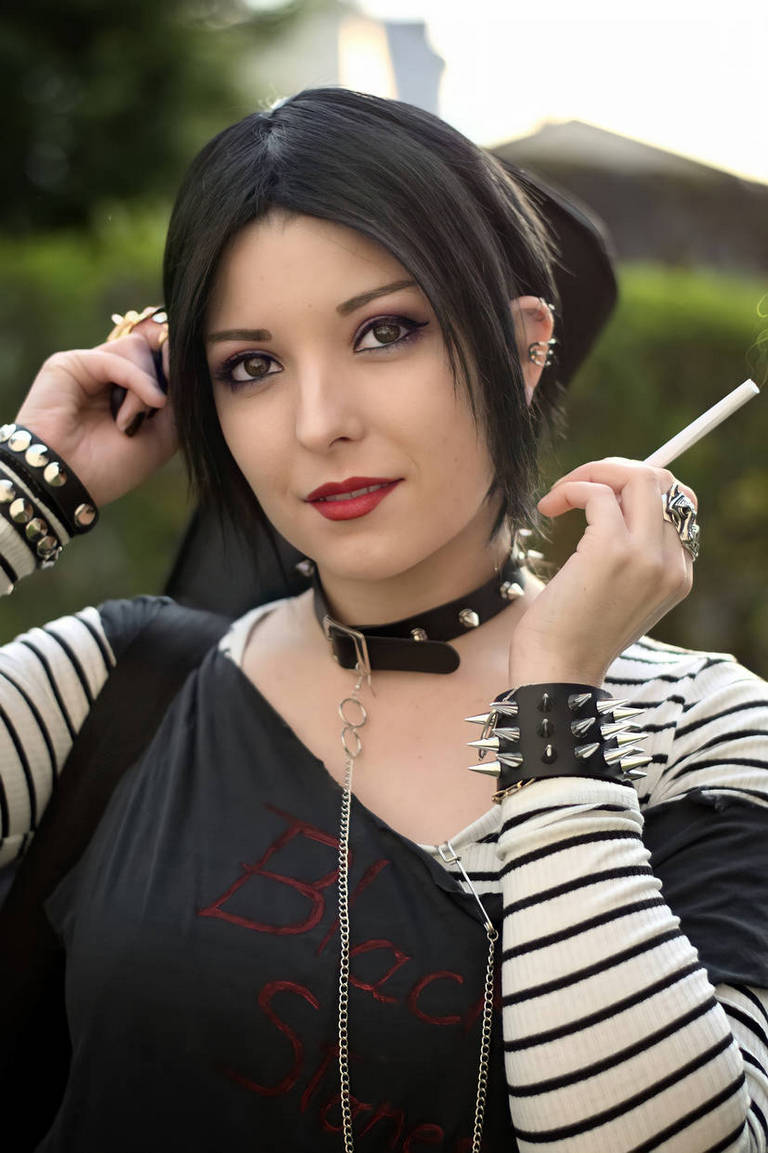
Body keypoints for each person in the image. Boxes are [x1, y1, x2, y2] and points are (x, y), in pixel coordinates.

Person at [0, 86, 767, 1153]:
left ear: (524, 346)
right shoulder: (113, 685)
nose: (319, 423)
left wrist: (554, 706)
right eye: (251, 366)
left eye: (384, 331)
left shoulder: (704, 730)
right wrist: (25, 493)